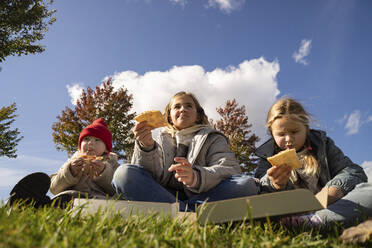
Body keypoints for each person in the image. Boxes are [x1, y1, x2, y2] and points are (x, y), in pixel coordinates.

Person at [112, 91, 259, 211]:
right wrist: (146, 148)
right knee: (123, 174)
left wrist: (196, 177)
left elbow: (229, 170)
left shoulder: (213, 138)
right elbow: (146, 176)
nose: (182, 109)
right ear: (169, 115)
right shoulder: (159, 139)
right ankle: (190, 214)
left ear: (198, 115)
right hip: (164, 195)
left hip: (205, 197)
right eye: (177, 107)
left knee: (247, 184)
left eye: (189, 106)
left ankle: (180, 212)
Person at [254, 97, 372, 228]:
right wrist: (273, 184)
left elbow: (353, 171)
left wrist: (334, 190)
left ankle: (315, 221)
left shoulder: (324, 145)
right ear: (272, 133)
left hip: (331, 208)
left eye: (294, 132)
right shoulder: (267, 157)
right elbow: (259, 191)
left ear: (306, 128)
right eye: (281, 134)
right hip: (288, 214)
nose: (288, 139)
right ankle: (302, 223)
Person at [8, 118, 120, 207]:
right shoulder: (72, 162)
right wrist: (70, 172)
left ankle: (39, 206)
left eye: (97, 140)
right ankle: (27, 203)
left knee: (105, 204)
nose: (90, 143)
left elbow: (118, 190)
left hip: (98, 202)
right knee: (58, 199)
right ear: (80, 145)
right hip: (69, 199)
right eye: (86, 139)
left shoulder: (112, 164)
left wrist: (103, 173)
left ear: (106, 148)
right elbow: (54, 188)